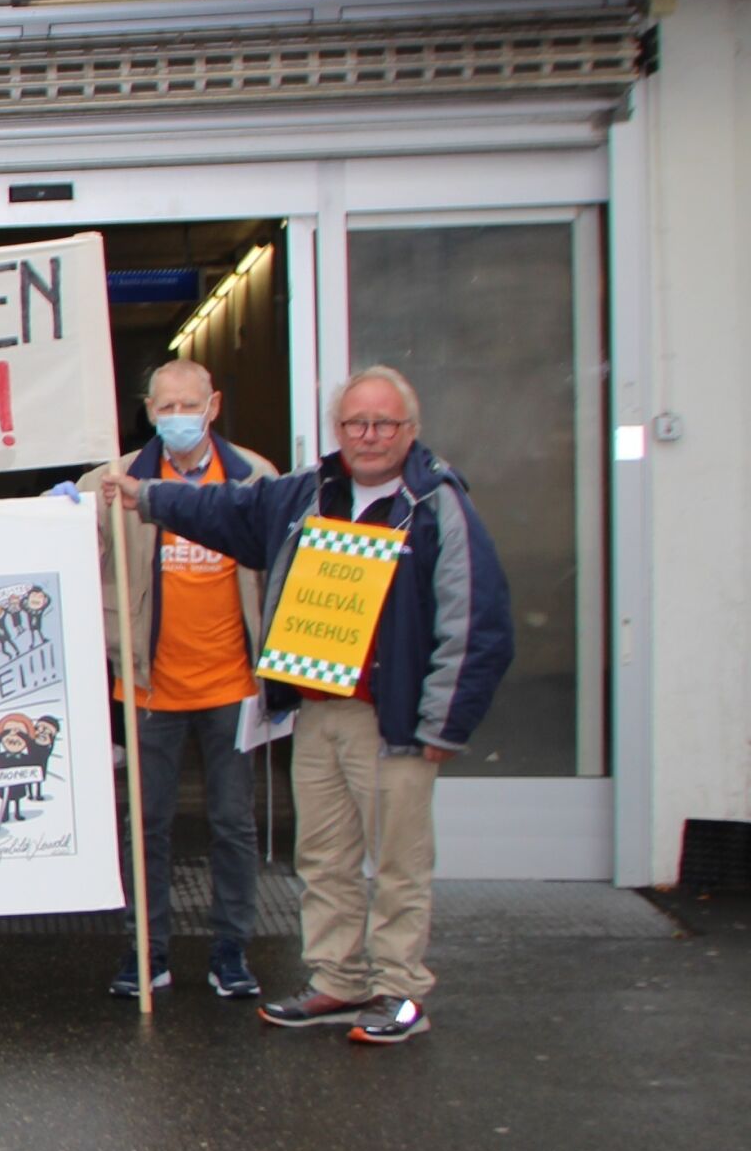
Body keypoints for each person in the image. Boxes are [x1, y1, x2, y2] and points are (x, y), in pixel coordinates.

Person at [109, 366, 514, 1044]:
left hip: (395, 722)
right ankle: (338, 980)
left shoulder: (435, 504)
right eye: (356, 422)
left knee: (397, 862)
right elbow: (226, 511)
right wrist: (145, 496)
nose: (369, 436)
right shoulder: (307, 493)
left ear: (410, 431)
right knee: (323, 857)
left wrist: (445, 722)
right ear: (339, 430)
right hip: (319, 712)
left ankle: (399, 990)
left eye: (384, 423)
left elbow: (478, 622)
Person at [76, 359, 281, 1002]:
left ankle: (231, 952)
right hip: (147, 684)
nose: (177, 419)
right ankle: (147, 952)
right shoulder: (115, 480)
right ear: (149, 410)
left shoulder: (253, 477)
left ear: (213, 405)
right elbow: (74, 560)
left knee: (232, 824)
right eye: (165, 408)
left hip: (233, 685)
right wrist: (75, 511)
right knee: (146, 826)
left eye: (188, 406)